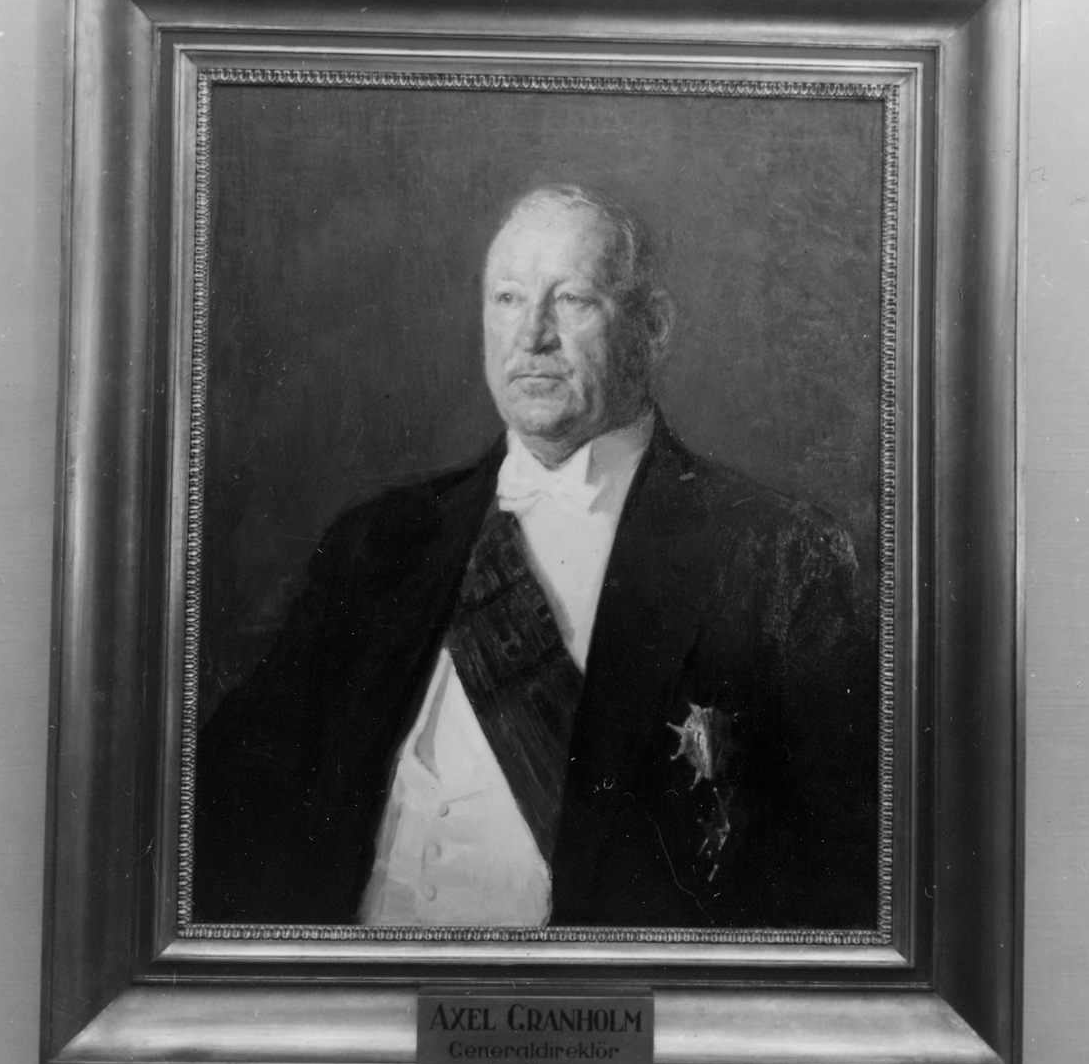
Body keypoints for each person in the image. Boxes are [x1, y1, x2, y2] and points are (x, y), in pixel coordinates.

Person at [193, 184, 880, 931]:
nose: (533, 336)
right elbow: (229, 804)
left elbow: (840, 872)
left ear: (653, 327)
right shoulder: (380, 541)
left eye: (572, 300)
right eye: (509, 299)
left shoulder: (781, 555)